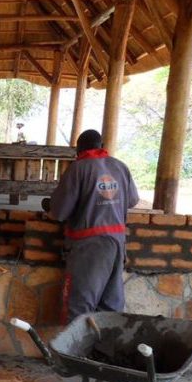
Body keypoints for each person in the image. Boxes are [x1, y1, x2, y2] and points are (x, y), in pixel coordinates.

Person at [45, 129, 139, 323]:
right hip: (117, 243)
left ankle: (74, 351)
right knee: (110, 305)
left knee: (78, 306)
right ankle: (105, 351)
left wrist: (49, 205)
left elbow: (60, 212)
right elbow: (132, 200)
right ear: (102, 147)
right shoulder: (120, 167)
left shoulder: (78, 168)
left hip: (89, 246)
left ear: (78, 150)